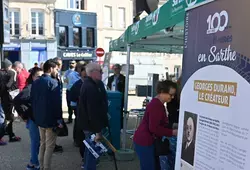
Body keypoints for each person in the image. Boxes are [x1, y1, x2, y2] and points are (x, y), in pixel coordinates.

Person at [133, 80, 178, 170]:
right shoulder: (156, 105)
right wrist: (172, 132)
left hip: (146, 141)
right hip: (145, 142)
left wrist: (172, 125)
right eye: (170, 94)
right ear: (162, 92)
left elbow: (159, 123)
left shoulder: (158, 104)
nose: (172, 97)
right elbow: (153, 128)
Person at [31, 59, 63, 170]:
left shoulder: (36, 82)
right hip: (50, 119)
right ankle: (46, 167)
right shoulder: (53, 82)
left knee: (43, 143)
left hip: (39, 118)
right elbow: (57, 103)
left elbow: (33, 100)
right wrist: (59, 119)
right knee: (49, 146)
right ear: (51, 68)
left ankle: (41, 166)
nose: (57, 70)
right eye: (56, 68)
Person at [78, 63, 108, 170]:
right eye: (100, 71)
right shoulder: (90, 87)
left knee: (89, 149)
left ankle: (87, 166)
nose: (102, 73)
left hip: (89, 124)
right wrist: (98, 131)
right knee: (92, 151)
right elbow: (93, 112)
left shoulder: (92, 84)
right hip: (91, 125)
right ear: (94, 73)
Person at [14, 67, 43, 170]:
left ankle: (34, 162)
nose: (40, 78)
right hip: (32, 120)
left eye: (42, 76)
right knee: (35, 142)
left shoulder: (37, 86)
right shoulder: (30, 87)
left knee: (38, 141)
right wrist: (24, 115)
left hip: (36, 119)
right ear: (33, 77)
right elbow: (17, 100)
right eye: (38, 76)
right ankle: (33, 163)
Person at [0, 59, 21, 142]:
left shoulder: (2, 73)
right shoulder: (12, 72)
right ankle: (7, 135)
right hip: (10, 98)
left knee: (6, 117)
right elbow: (9, 84)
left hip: (4, 98)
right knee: (9, 118)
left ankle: (10, 134)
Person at [70, 66, 86, 168]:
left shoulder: (92, 83)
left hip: (88, 115)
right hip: (80, 112)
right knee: (79, 129)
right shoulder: (77, 85)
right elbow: (72, 97)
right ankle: (77, 141)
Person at [107, 64, 125, 129]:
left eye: (116, 68)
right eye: (114, 69)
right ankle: (111, 125)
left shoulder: (123, 78)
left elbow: (124, 89)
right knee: (111, 112)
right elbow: (108, 87)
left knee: (119, 112)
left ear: (119, 69)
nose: (115, 70)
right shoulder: (110, 78)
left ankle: (120, 127)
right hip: (111, 97)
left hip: (119, 97)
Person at [52, 57, 64, 153]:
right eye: (59, 65)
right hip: (54, 103)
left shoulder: (58, 75)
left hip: (58, 102)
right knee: (54, 125)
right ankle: (52, 145)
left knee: (57, 125)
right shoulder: (52, 77)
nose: (60, 66)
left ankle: (53, 143)